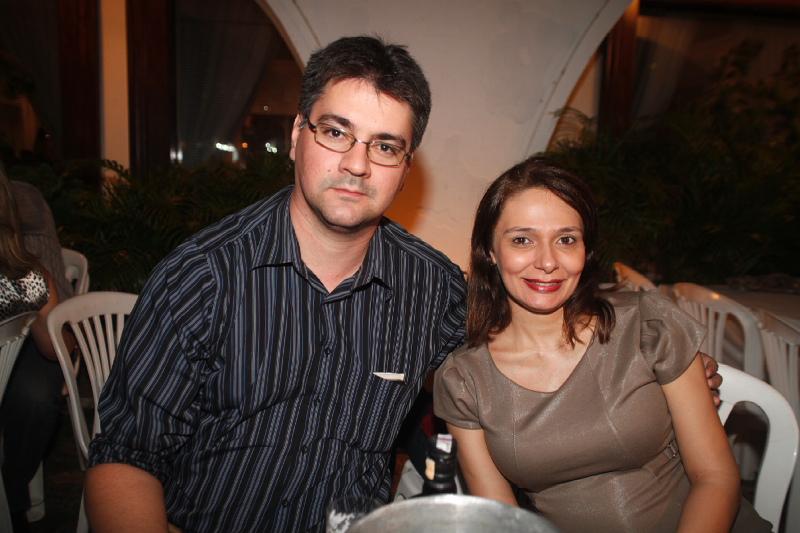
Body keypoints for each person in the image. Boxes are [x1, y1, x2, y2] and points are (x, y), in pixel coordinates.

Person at [85, 36, 722, 533]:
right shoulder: (202, 277)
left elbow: (528, 334)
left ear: (405, 166)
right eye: (336, 132)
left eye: (385, 145)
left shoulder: (432, 288)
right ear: (298, 136)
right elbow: (124, 459)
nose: (356, 163)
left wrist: (659, 367)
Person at [433, 157, 770, 532]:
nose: (547, 262)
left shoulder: (646, 326)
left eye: (566, 239)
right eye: (522, 240)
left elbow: (715, 477)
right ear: (490, 251)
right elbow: (502, 521)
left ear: (586, 249)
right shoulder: (464, 380)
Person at [0, 165, 65, 532]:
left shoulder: (28, 276)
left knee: (36, 394)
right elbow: (59, 348)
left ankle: (11, 493)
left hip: (17, 374)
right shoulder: (30, 276)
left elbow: (57, 348)